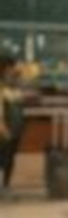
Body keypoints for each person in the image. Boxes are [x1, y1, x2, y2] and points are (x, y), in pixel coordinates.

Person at [0, 46, 24, 191]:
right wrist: (2, 127)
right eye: (9, 67)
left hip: (14, 128)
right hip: (5, 129)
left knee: (9, 158)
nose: (12, 70)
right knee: (3, 157)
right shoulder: (3, 88)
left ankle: (6, 185)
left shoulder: (13, 87)